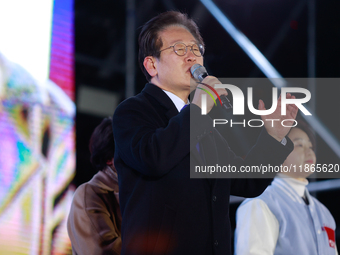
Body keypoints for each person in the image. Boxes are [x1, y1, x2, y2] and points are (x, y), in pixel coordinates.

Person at [112, 11, 298, 255]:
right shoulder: (133, 111)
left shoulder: (204, 126)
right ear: (152, 64)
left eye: (196, 48)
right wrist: (198, 111)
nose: (192, 56)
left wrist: (272, 137)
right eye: (179, 49)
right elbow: (153, 158)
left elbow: (247, 181)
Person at [234, 120, 338, 255]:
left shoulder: (323, 212)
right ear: (278, 152)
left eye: (311, 147)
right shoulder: (261, 203)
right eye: (300, 145)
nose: (309, 152)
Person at [67, 117, 121, 255]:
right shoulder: (89, 194)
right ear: (109, 159)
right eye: (129, 147)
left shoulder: (141, 193)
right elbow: (105, 250)